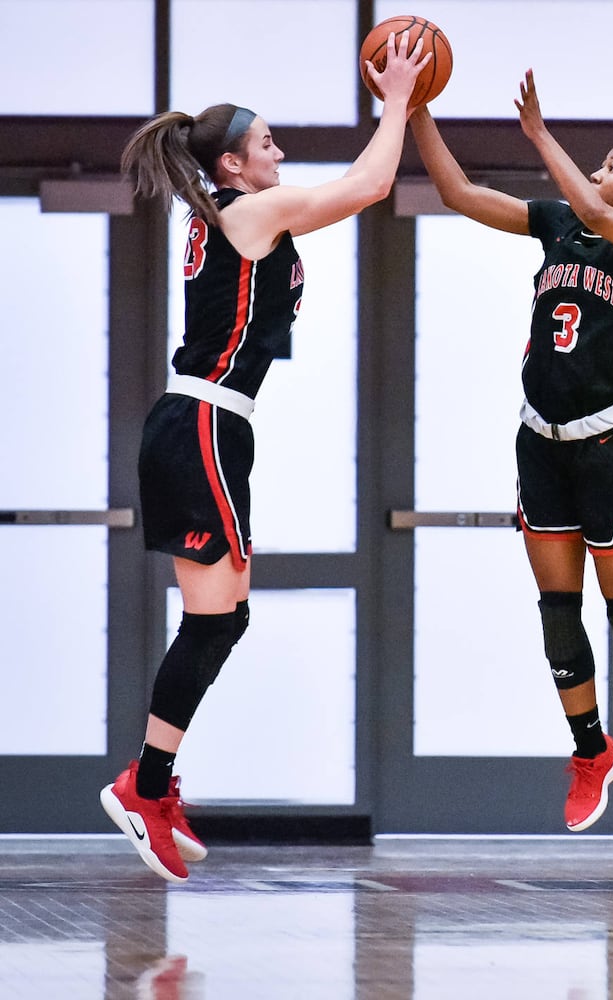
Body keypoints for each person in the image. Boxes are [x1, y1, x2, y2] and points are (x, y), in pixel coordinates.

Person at [100, 30, 431, 882]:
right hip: (200, 424)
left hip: (215, 426)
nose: (279, 151)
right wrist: (396, 100)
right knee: (216, 618)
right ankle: (144, 785)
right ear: (235, 168)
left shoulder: (235, 213)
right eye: (267, 142)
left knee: (226, 617)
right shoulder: (249, 212)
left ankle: (155, 781)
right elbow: (372, 184)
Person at [408, 70, 613, 835]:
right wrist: (416, 114)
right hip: (540, 438)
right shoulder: (560, 227)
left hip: (607, 440)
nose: (600, 171)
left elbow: (596, 206)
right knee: (557, 606)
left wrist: (540, 136)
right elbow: (461, 196)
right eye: (596, 160)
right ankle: (590, 749)